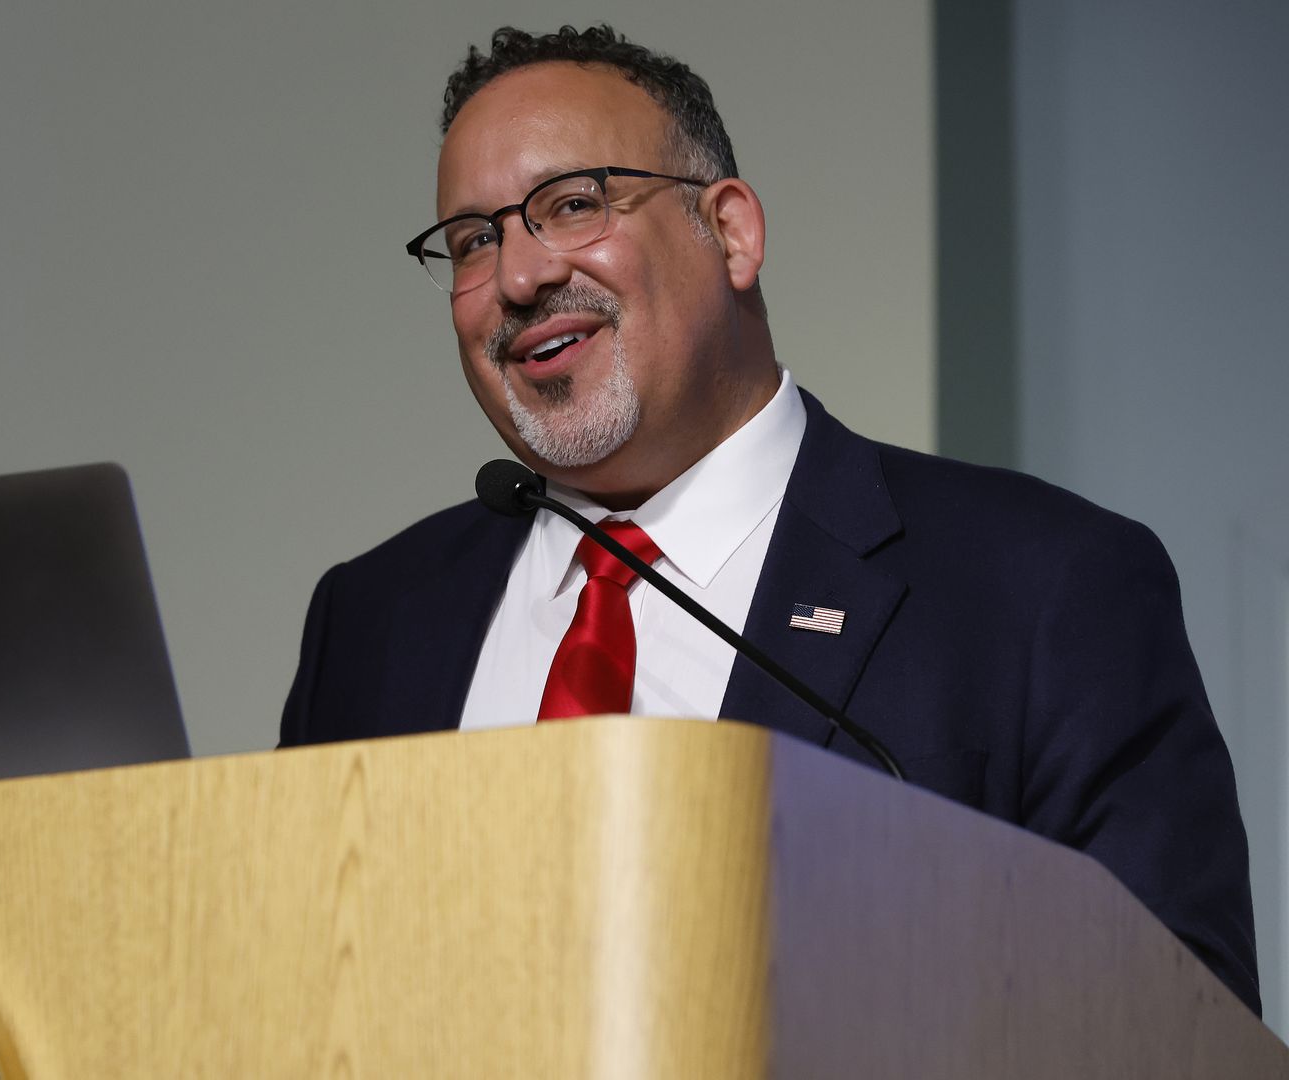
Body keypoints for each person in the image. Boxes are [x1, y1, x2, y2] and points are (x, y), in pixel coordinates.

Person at [277, 25, 1260, 1014]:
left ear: (732, 232)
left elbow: (1179, 1033)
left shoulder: (1046, 588)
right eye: (473, 240)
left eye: (571, 205)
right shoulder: (373, 620)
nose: (520, 277)